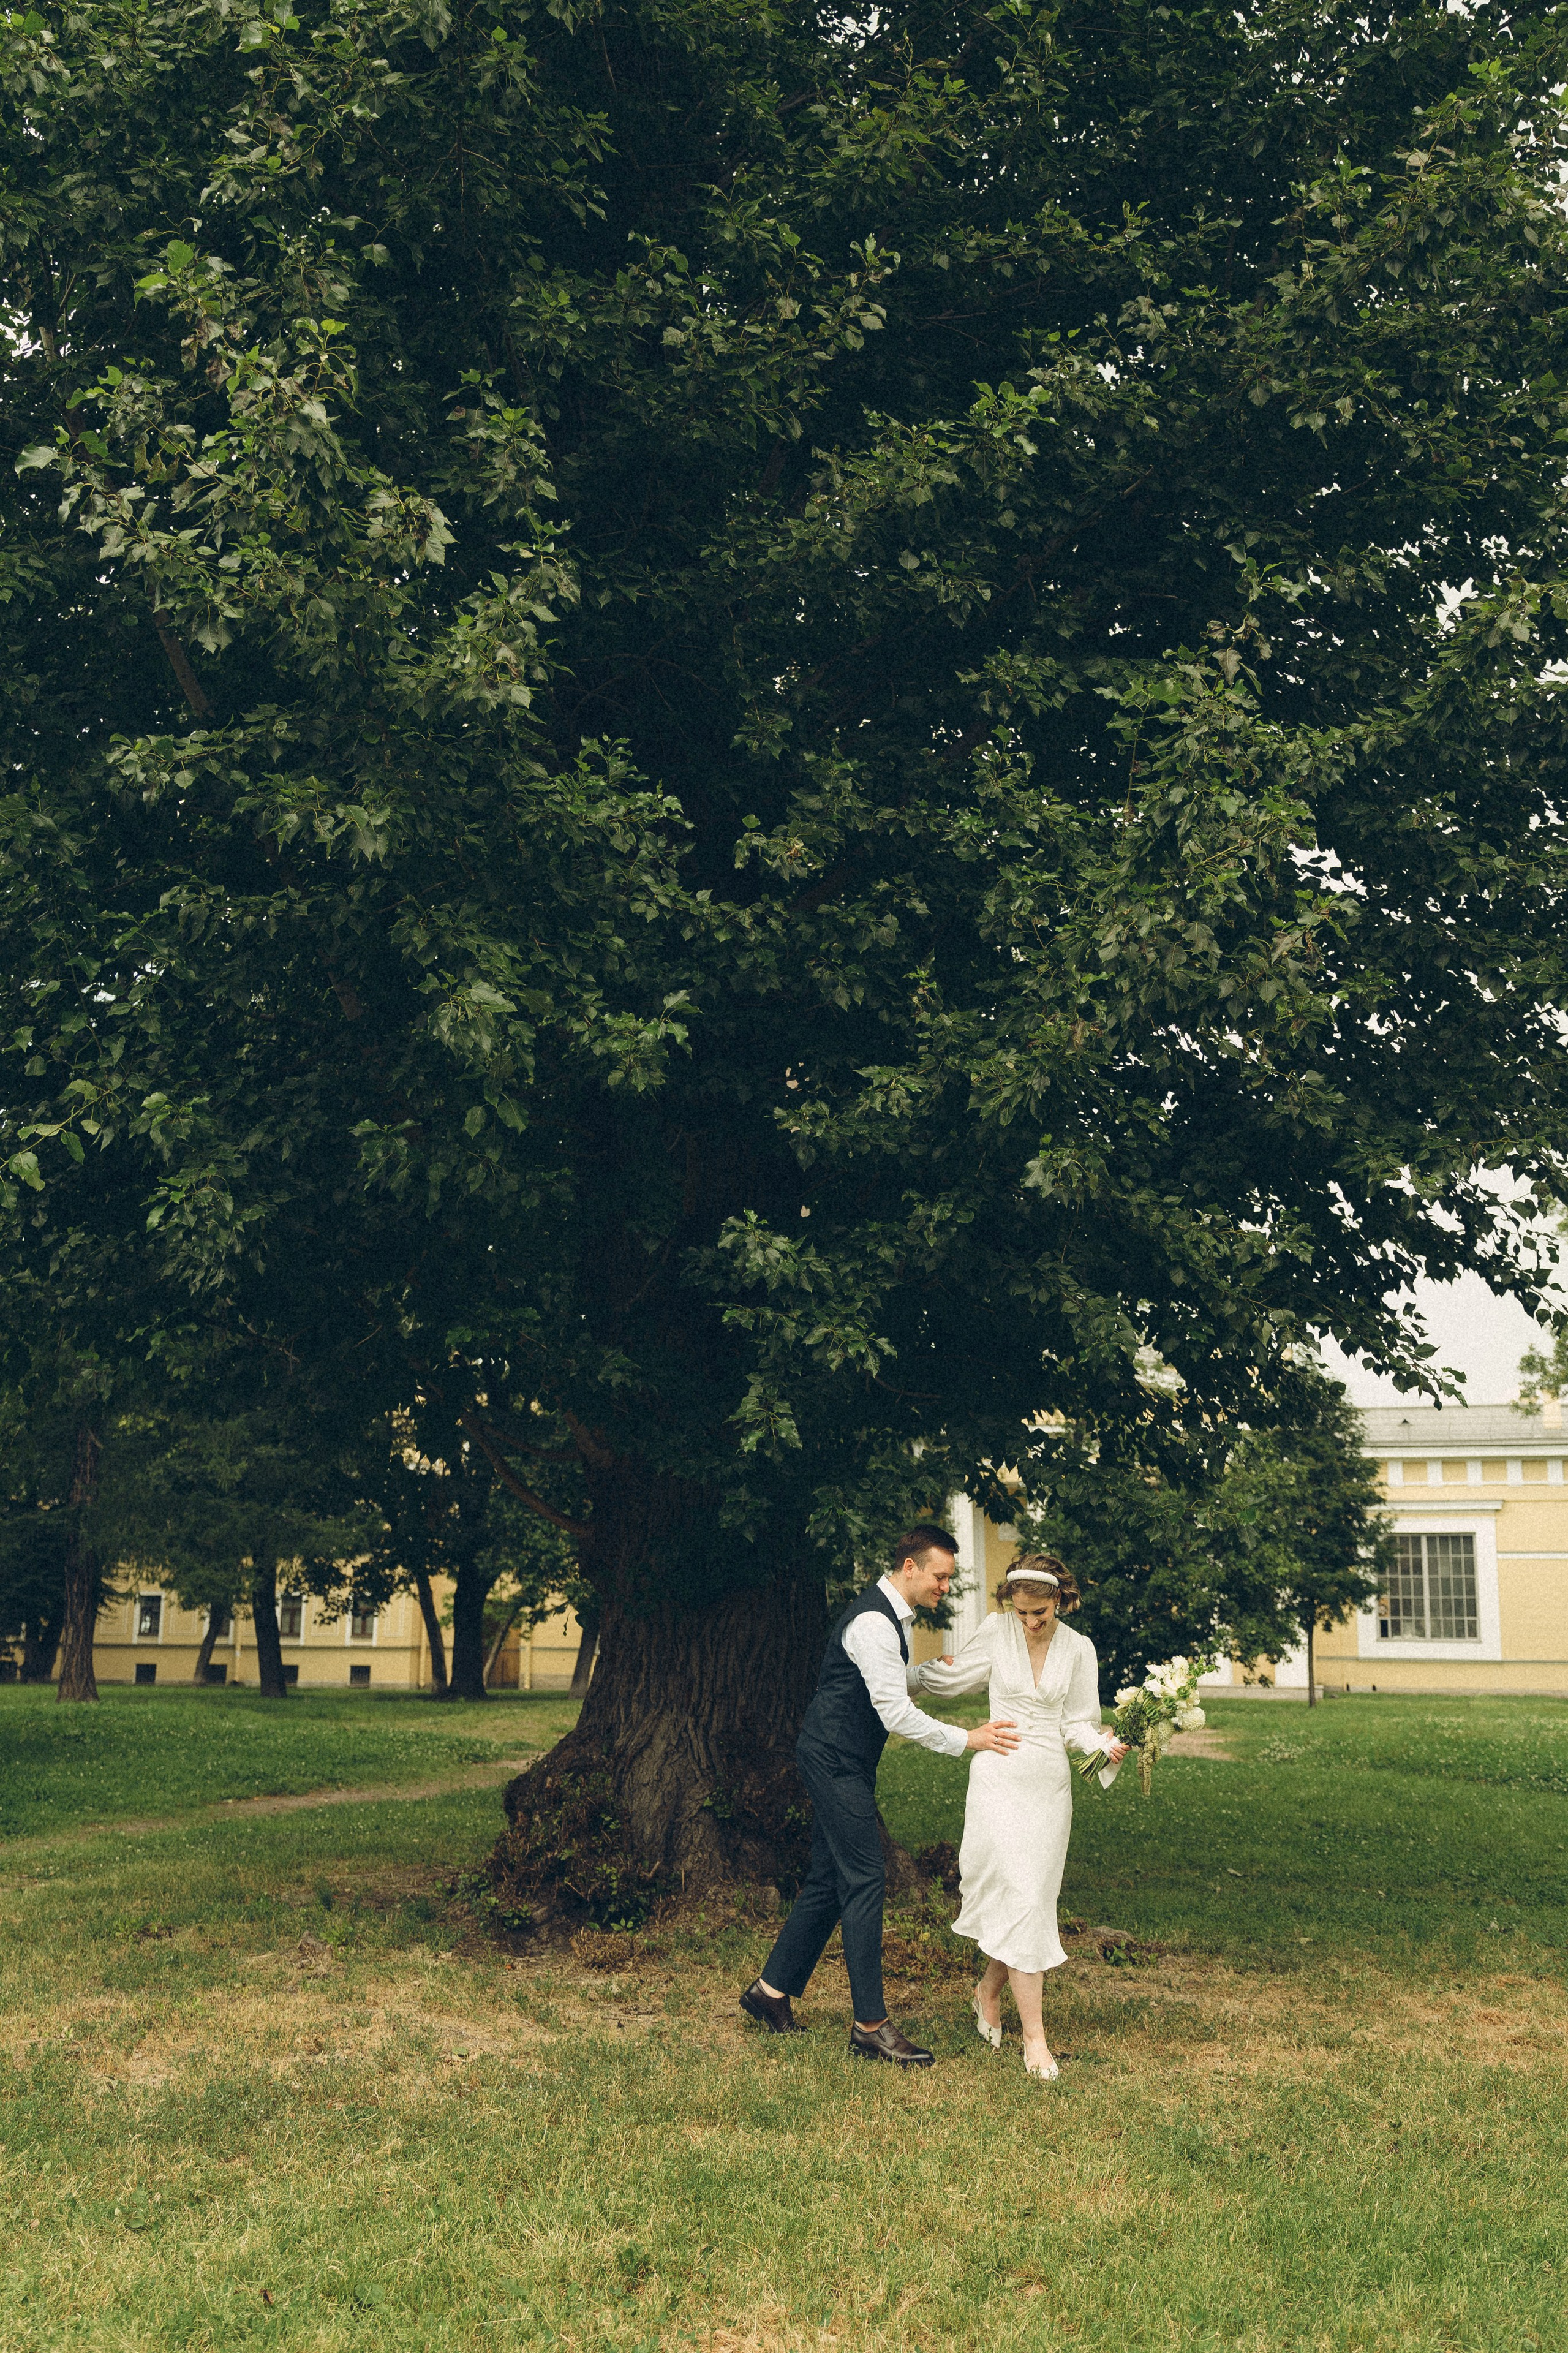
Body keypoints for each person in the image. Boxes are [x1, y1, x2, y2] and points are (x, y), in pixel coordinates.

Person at [738, 1523, 1021, 2067]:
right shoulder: (873, 1621)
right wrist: (968, 1738)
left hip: (847, 1760)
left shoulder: (890, 1617)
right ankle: (870, 2024)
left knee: (828, 1876)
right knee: (866, 1877)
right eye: (940, 1575)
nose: (945, 1585)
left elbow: (883, 1683)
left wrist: (930, 1674)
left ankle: (769, 1992)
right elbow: (892, 1712)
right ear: (910, 1567)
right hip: (834, 1760)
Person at [916, 1552, 1127, 2082]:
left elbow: (1078, 1720)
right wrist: (892, 1677)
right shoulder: (995, 1630)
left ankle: (989, 1989)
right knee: (1020, 1900)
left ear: (1060, 1597)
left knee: (1031, 1899)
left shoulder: (1080, 1648)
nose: (1030, 1621)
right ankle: (1036, 2039)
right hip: (997, 1779)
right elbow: (951, 1678)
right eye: (1022, 1611)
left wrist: (1103, 1746)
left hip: (1046, 1786)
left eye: (1040, 1611)